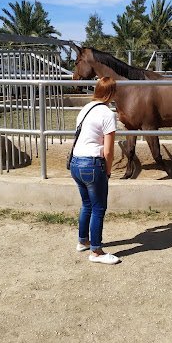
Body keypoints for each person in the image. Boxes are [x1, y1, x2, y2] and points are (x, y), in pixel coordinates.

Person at [70, 76, 120, 265]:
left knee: (87, 205)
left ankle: (83, 241)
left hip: (76, 162)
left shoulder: (85, 109)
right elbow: (108, 150)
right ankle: (96, 252)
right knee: (99, 208)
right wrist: (107, 171)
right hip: (92, 165)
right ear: (111, 93)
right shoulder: (107, 114)